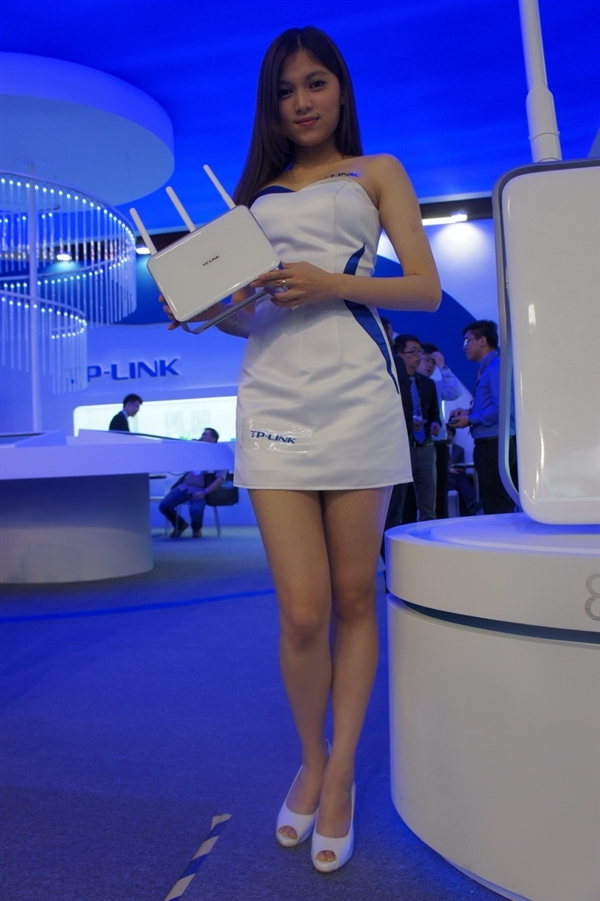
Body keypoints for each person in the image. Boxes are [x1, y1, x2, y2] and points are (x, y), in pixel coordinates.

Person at [160, 26, 440, 872]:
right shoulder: (254, 200)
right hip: (272, 396)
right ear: (271, 107)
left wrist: (331, 281)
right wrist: (205, 307)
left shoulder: (377, 171)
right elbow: (246, 316)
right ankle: (310, 759)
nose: (302, 101)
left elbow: (424, 289)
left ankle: (340, 769)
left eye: (315, 83)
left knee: (355, 595)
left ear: (340, 88)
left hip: (358, 394)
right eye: (285, 91)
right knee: (303, 610)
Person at [449, 320, 518, 514]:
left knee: (497, 505)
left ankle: (502, 535)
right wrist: (468, 413)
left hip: (494, 445)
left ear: (482, 341)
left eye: (467, 341)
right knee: (495, 502)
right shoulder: (490, 367)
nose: (464, 347)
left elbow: (502, 408)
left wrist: (471, 419)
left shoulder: (495, 366)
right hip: (491, 445)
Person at [395, 335, 441, 522]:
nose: (418, 356)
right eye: (413, 351)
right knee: (399, 505)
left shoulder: (428, 383)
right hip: (402, 448)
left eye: (419, 351)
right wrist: (408, 422)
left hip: (425, 447)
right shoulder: (394, 384)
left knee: (428, 505)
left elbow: (434, 413)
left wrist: (435, 424)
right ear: (400, 355)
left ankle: (428, 537)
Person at [418, 343, 461, 518]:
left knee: (440, 493)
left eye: (433, 362)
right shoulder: (404, 384)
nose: (430, 365)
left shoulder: (434, 385)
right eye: (426, 360)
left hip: (437, 444)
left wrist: (443, 367)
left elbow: (453, 392)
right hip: (415, 445)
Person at [159, 428, 225, 538]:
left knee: (196, 510)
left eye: (205, 435)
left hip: (201, 490)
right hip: (184, 486)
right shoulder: (196, 453)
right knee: (164, 506)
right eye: (202, 435)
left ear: (213, 439)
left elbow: (220, 479)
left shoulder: (219, 457)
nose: (202, 437)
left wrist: (204, 492)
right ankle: (180, 525)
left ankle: (196, 528)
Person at [446, 425, 480, 515]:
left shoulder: (459, 449)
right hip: (445, 475)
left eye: (449, 434)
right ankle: (471, 502)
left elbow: (462, 465)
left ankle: (469, 505)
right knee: (461, 478)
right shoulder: (439, 449)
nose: (447, 436)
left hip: (456, 476)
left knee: (460, 477)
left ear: (453, 435)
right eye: (446, 434)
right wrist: (449, 470)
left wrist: (456, 470)